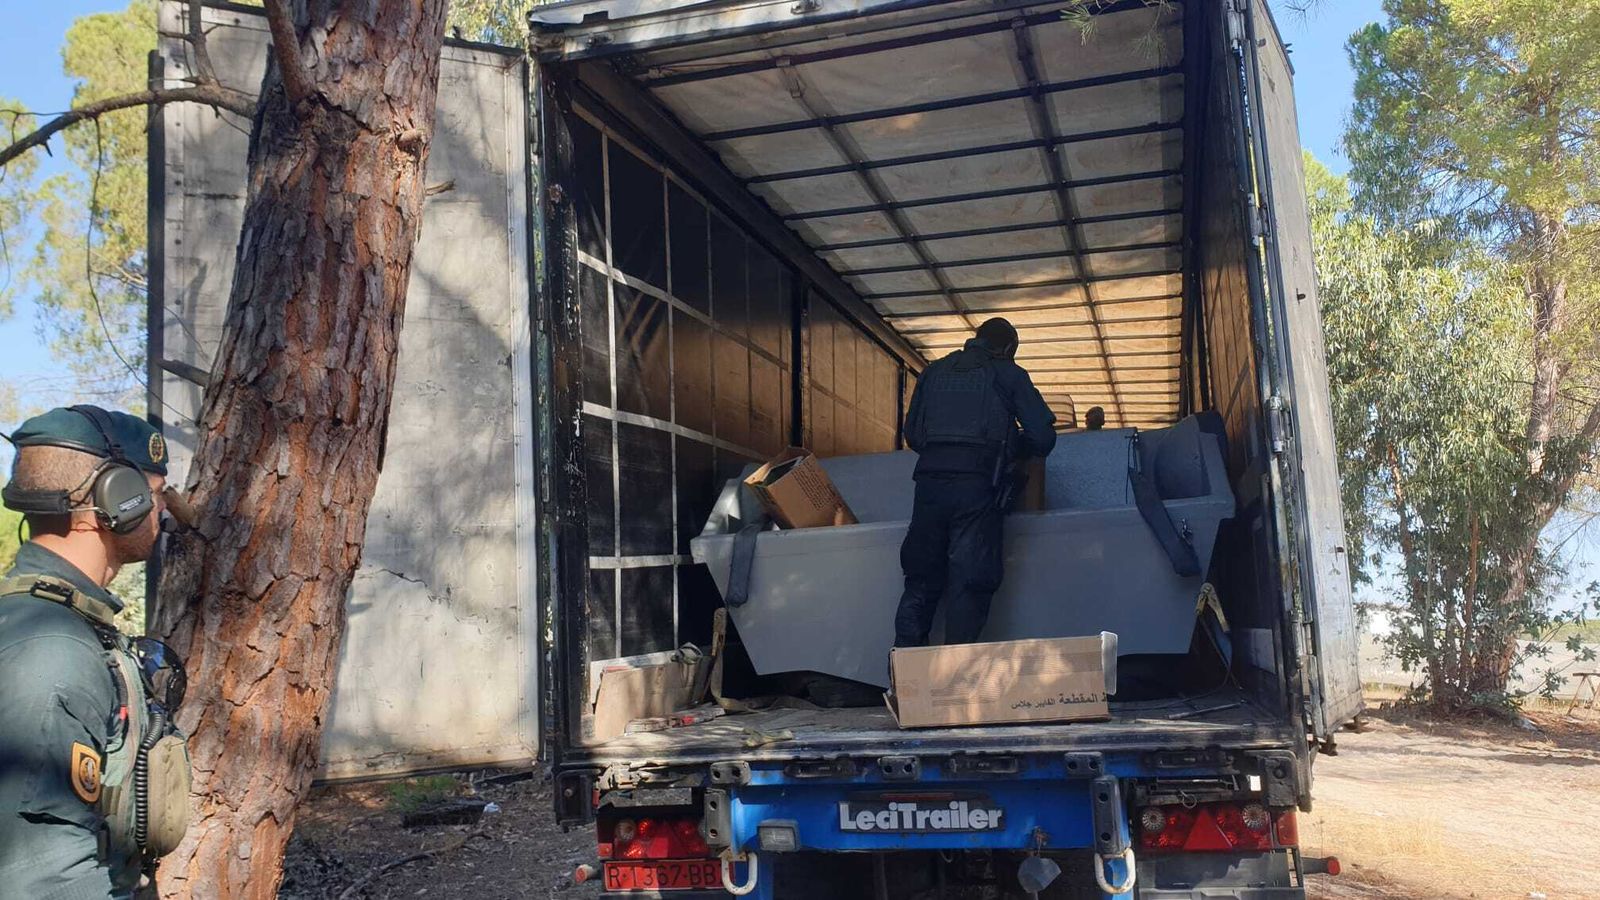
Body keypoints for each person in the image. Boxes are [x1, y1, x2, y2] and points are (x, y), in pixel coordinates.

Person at [0, 405, 192, 899]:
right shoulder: (53, 650)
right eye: (154, 494)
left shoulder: (65, 623)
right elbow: (45, 879)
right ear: (117, 500)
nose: (164, 510)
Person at [894, 318, 1057, 647]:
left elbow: (913, 435)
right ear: (1008, 348)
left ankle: (905, 681)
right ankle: (955, 682)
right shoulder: (1008, 373)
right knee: (970, 583)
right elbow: (1043, 437)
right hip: (977, 490)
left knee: (920, 582)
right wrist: (1013, 446)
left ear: (977, 339)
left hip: (928, 488)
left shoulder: (933, 371)